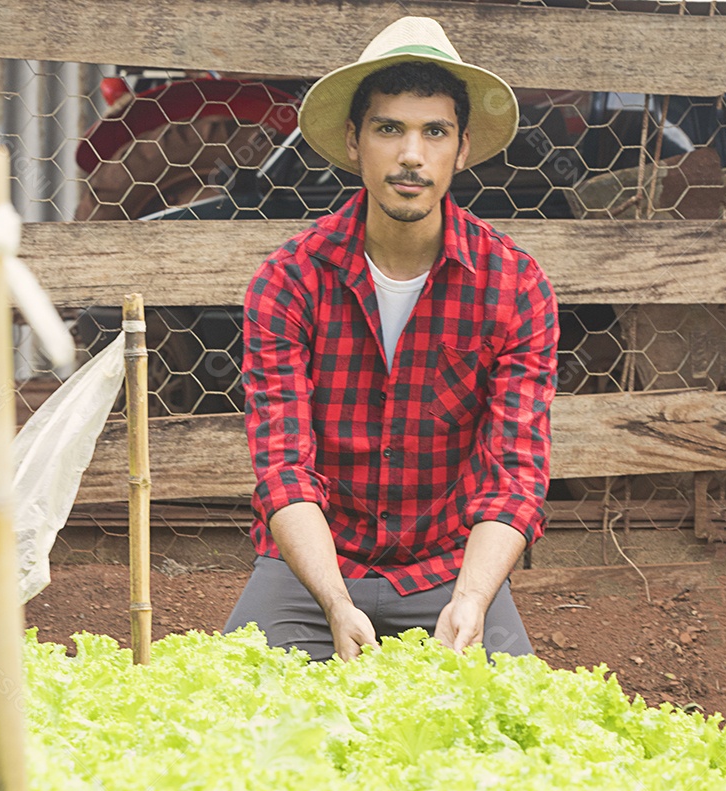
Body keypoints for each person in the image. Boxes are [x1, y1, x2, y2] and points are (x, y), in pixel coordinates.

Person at [224, 16, 559, 662]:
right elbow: (283, 472)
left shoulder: (515, 287)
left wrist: (472, 597)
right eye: (389, 129)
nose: (412, 154)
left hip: (446, 567)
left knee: (514, 727)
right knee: (232, 713)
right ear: (354, 141)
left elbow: (514, 475)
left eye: (434, 131)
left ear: (461, 148)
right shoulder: (289, 281)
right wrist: (333, 599)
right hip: (315, 566)